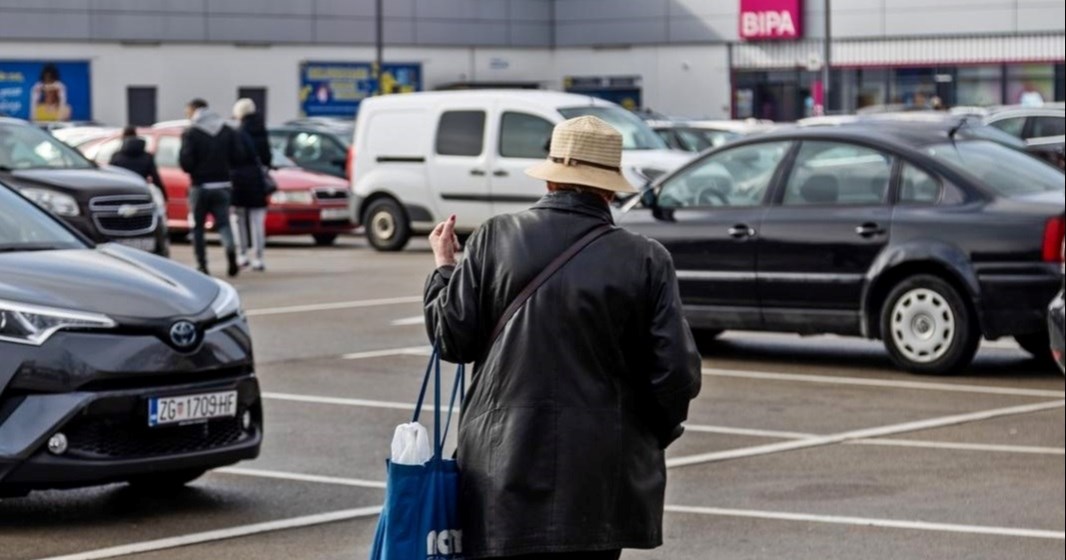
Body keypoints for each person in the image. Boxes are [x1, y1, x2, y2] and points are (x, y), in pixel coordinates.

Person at [423, 116, 702, 560]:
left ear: (552, 179)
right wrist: (647, 435)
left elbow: (452, 340)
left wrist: (444, 269)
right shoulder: (646, 258)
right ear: (610, 189)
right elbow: (676, 374)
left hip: (500, 465)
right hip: (599, 470)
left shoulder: (495, 237)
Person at [179, 98, 243, 277]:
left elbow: (186, 162)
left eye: (188, 111)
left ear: (194, 110)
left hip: (200, 186)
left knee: (198, 227)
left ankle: (202, 265)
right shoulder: (226, 130)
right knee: (224, 224)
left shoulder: (191, 132)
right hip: (223, 184)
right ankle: (231, 252)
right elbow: (238, 155)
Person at [229, 98, 272, 272]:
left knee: (238, 218)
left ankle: (242, 254)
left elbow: (234, 156)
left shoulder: (238, 131)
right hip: (258, 178)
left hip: (239, 178)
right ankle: (259, 257)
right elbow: (268, 157)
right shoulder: (262, 129)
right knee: (257, 220)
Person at [110, 126, 165, 197]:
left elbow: (111, 177)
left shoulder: (116, 156)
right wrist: (164, 195)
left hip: (121, 194)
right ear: (136, 136)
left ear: (123, 138)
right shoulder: (147, 157)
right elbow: (156, 179)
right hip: (140, 193)